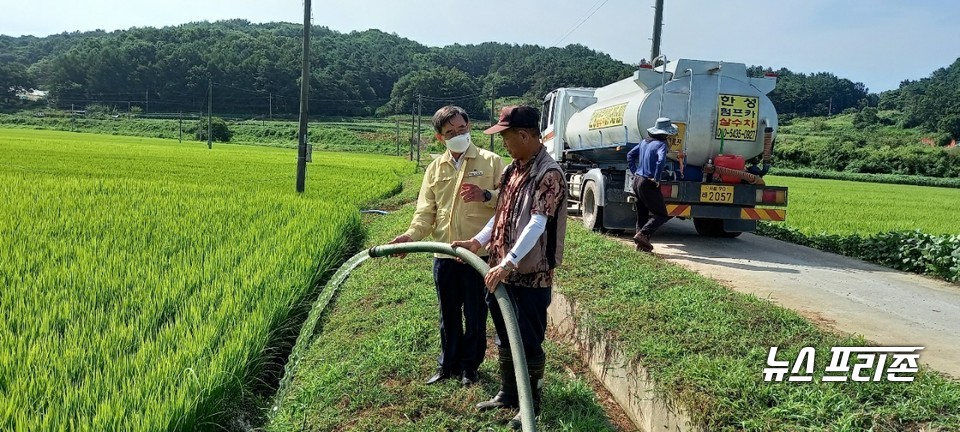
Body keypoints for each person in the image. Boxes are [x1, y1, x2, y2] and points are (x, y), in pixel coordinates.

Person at [452, 105, 567, 429]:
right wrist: (477, 243)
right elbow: (501, 215)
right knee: (504, 336)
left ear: (524, 135)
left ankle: (531, 405)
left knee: (528, 340)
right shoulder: (514, 169)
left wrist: (509, 262)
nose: (503, 144)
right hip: (502, 269)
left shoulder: (549, 173)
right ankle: (507, 394)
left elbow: (537, 223)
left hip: (530, 275)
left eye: (505, 137)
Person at [389, 105, 504, 386]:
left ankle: (470, 368)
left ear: (470, 126)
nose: (458, 135)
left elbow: (508, 202)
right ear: (440, 138)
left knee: (476, 315)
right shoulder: (434, 168)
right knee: (448, 313)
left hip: (478, 254)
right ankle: (447, 365)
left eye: (462, 129)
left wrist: (485, 194)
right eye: (450, 132)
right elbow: (425, 212)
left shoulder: (491, 162)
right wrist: (410, 236)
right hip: (444, 253)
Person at [626, 117, 677, 253]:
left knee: (642, 214)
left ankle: (641, 246)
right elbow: (660, 161)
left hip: (637, 180)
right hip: (648, 182)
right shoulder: (662, 144)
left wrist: (634, 171)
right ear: (665, 133)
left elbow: (630, 155)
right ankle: (642, 234)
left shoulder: (644, 142)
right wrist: (657, 177)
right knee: (661, 214)